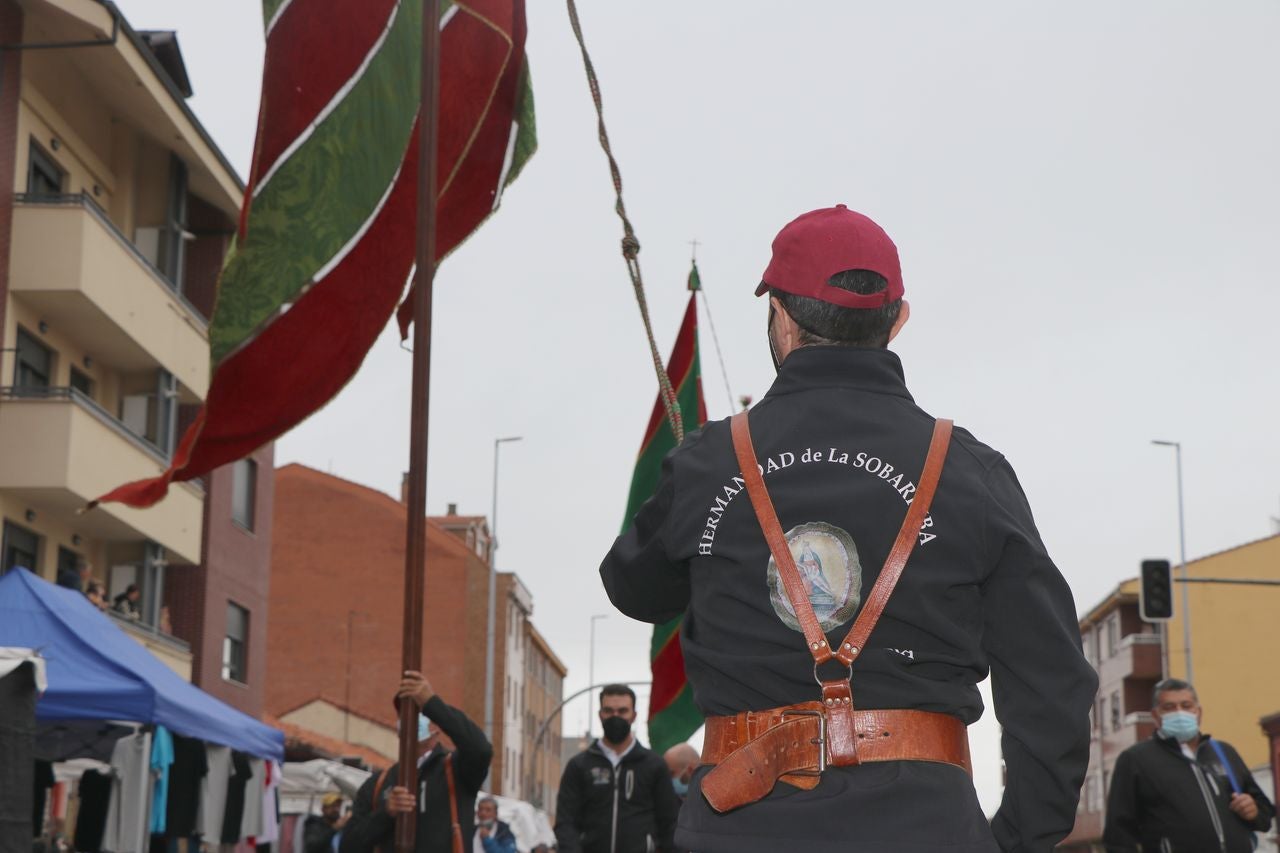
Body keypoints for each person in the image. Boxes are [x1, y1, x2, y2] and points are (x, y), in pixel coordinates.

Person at [599, 205, 1097, 853]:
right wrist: (1018, 836)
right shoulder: (971, 471)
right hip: (928, 830)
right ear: (898, 318)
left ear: (778, 314)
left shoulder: (707, 461)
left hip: (740, 834)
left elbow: (633, 587)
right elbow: (1051, 681)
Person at [1103, 678, 1275, 852]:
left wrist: (1254, 811)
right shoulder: (1136, 760)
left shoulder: (1224, 752)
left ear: (1198, 712)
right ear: (1155, 716)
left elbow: (1265, 814)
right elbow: (1118, 834)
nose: (1179, 712)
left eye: (1186, 706)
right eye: (1169, 708)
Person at [340, 671, 492, 853]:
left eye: (418, 712)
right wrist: (386, 813)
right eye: (402, 713)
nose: (409, 718)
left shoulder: (456, 770)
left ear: (436, 725)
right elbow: (348, 846)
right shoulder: (378, 784)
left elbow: (480, 749)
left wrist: (431, 703)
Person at [555, 684, 678, 853]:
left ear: (633, 715)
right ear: (600, 715)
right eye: (609, 711)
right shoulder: (579, 766)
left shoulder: (654, 765)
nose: (615, 716)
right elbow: (565, 822)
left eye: (622, 711)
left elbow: (669, 823)